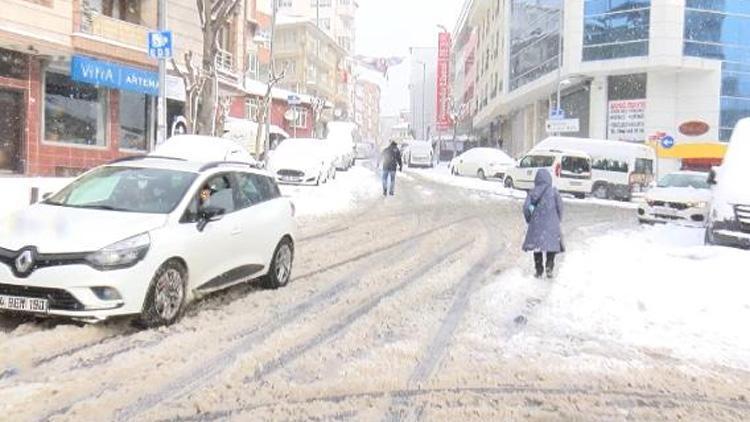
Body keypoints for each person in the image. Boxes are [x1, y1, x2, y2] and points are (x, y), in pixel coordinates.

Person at [522, 169, 564, 278]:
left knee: (537, 247)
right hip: (552, 223)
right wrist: (557, 219)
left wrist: (529, 219)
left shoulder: (532, 192)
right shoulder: (554, 192)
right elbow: (560, 207)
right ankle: (549, 265)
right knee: (551, 246)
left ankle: (539, 269)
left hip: (536, 223)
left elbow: (526, 208)